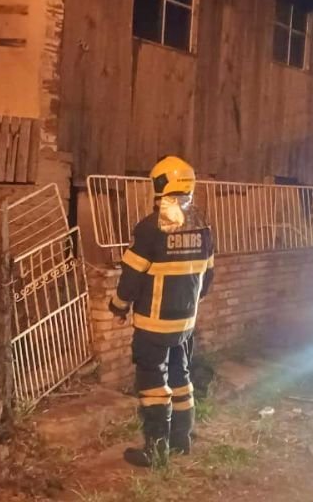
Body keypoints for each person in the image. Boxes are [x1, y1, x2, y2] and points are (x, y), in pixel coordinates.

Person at [109, 156, 214, 468]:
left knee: (153, 384)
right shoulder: (202, 227)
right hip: (185, 324)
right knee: (181, 377)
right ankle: (182, 440)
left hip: (153, 324)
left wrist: (118, 306)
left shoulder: (149, 229)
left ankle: (156, 453)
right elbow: (207, 278)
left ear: (159, 185)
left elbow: (131, 278)